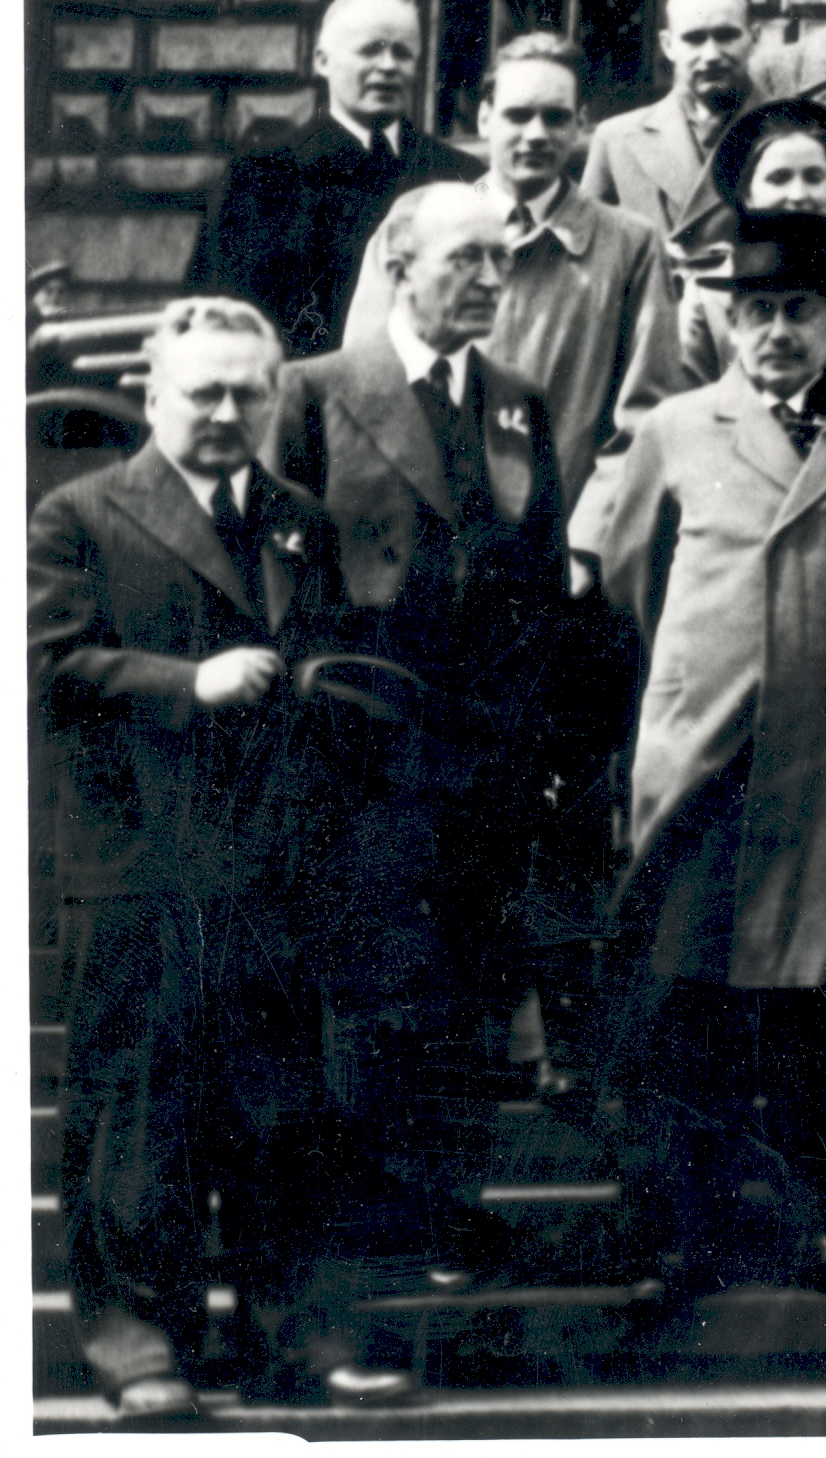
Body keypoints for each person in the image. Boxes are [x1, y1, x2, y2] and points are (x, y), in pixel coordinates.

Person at [32, 299, 437, 1412]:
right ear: (153, 396)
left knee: (284, 1114)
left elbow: (327, 662)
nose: (222, 412)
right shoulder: (78, 514)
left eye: (244, 393)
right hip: (142, 864)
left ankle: (296, 1335)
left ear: (272, 400)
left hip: (272, 869)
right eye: (200, 391)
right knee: (136, 1116)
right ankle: (138, 1347)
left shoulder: (299, 518)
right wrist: (183, 683)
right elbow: (43, 666)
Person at [577, 211, 826, 1308]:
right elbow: (628, 586)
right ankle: (674, 1235)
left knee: (823, 1016)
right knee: (683, 1008)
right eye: (754, 311)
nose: (775, 332)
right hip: (708, 766)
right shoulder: (676, 427)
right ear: (724, 317)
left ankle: (824, 1230)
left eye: (799, 308)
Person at [288, 185, 613, 1078]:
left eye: (499, 258)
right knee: (378, 1011)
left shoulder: (514, 400)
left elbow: (541, 581)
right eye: (463, 258)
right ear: (397, 268)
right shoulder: (316, 392)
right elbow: (285, 587)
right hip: (369, 765)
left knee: (471, 1011)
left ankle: (453, 1208)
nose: (488, 277)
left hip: (488, 764)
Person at [341, 33, 678, 514]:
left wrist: (586, 546)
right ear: (485, 119)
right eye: (518, 115)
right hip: (425, 538)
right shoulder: (416, 220)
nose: (536, 134)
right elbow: (364, 383)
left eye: (556, 117)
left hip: (554, 549)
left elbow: (646, 419)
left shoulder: (630, 246)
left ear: (581, 122)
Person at [184, 0, 477, 360]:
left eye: (402, 53)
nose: (388, 66)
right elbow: (217, 317)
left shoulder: (458, 176)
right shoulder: (261, 178)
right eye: (370, 49)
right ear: (322, 61)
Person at [665, 98, 826, 391]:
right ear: (746, 195)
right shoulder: (710, 291)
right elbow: (688, 397)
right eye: (779, 178)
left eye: (814, 177)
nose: (799, 194)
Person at [582, 0, 759, 244]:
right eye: (694, 39)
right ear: (668, 46)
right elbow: (586, 245)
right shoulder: (617, 138)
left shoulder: (792, 130)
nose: (711, 54)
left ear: (754, 37)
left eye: (726, 36)